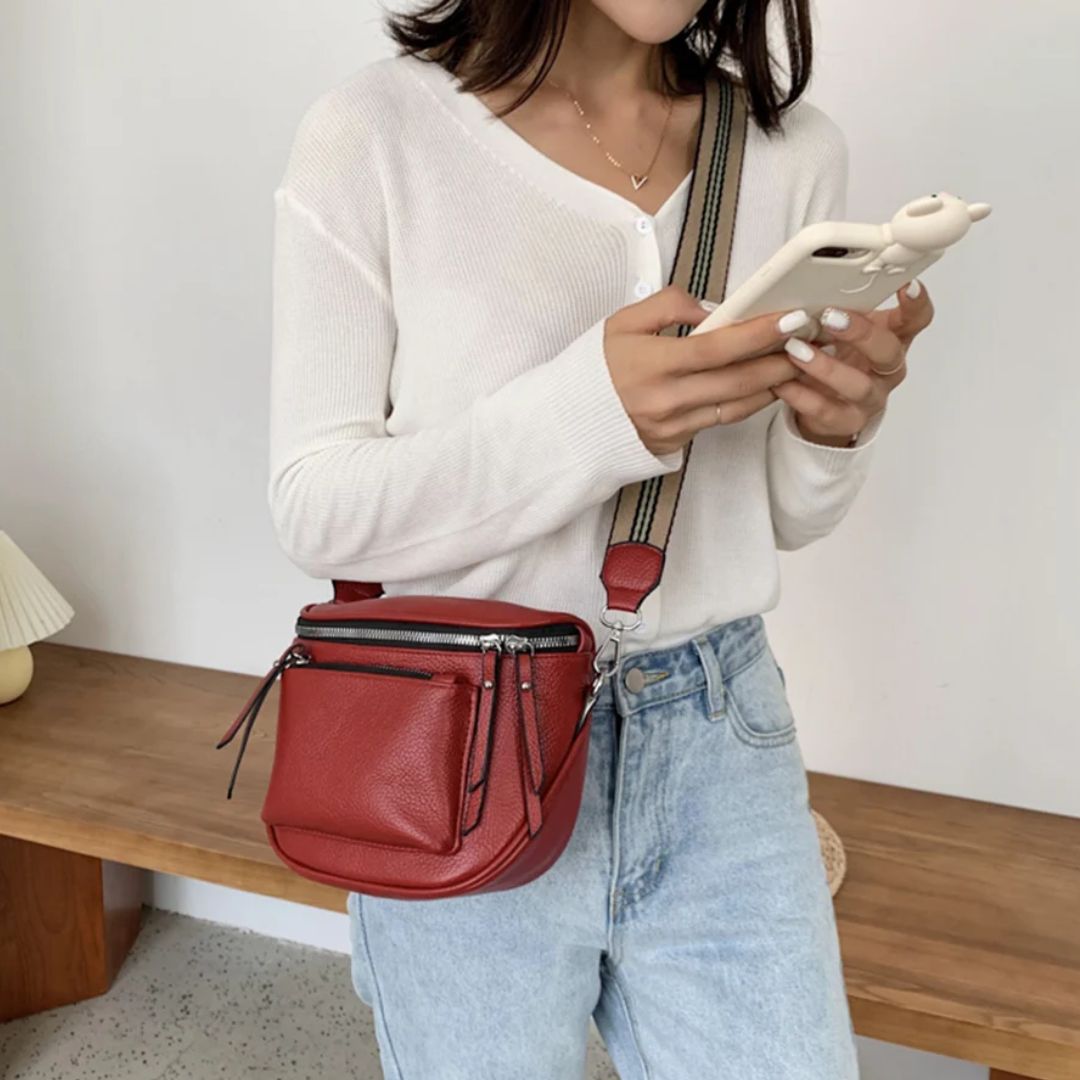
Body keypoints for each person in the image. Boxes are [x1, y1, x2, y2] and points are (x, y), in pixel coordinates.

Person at [267, 1, 932, 1076]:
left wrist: (836, 423)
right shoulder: (377, 133)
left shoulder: (792, 153)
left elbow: (788, 517)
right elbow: (317, 503)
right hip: (459, 741)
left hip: (720, 737)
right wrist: (594, 412)